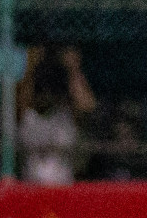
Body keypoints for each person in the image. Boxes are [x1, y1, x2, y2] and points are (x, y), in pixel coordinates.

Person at [16, 47, 96, 185]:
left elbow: (87, 105)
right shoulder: (29, 117)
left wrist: (73, 69)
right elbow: (20, 101)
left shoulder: (65, 117)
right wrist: (30, 66)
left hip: (63, 190)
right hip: (30, 191)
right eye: (42, 91)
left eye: (50, 91)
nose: (46, 95)